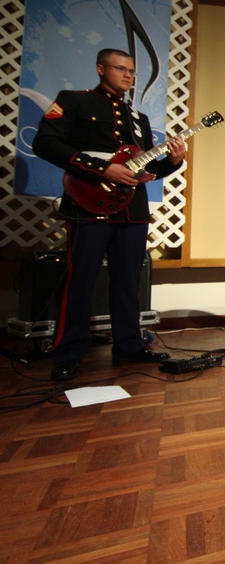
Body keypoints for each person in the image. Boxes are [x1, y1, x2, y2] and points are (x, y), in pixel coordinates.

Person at [33, 48, 186, 382]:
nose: (129, 76)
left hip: (132, 210)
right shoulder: (74, 101)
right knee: (80, 281)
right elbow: (45, 144)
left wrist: (172, 162)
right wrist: (103, 169)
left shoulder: (139, 120)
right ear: (101, 69)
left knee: (129, 282)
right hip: (88, 204)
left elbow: (140, 170)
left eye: (132, 71)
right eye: (121, 69)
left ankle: (129, 345)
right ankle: (69, 352)